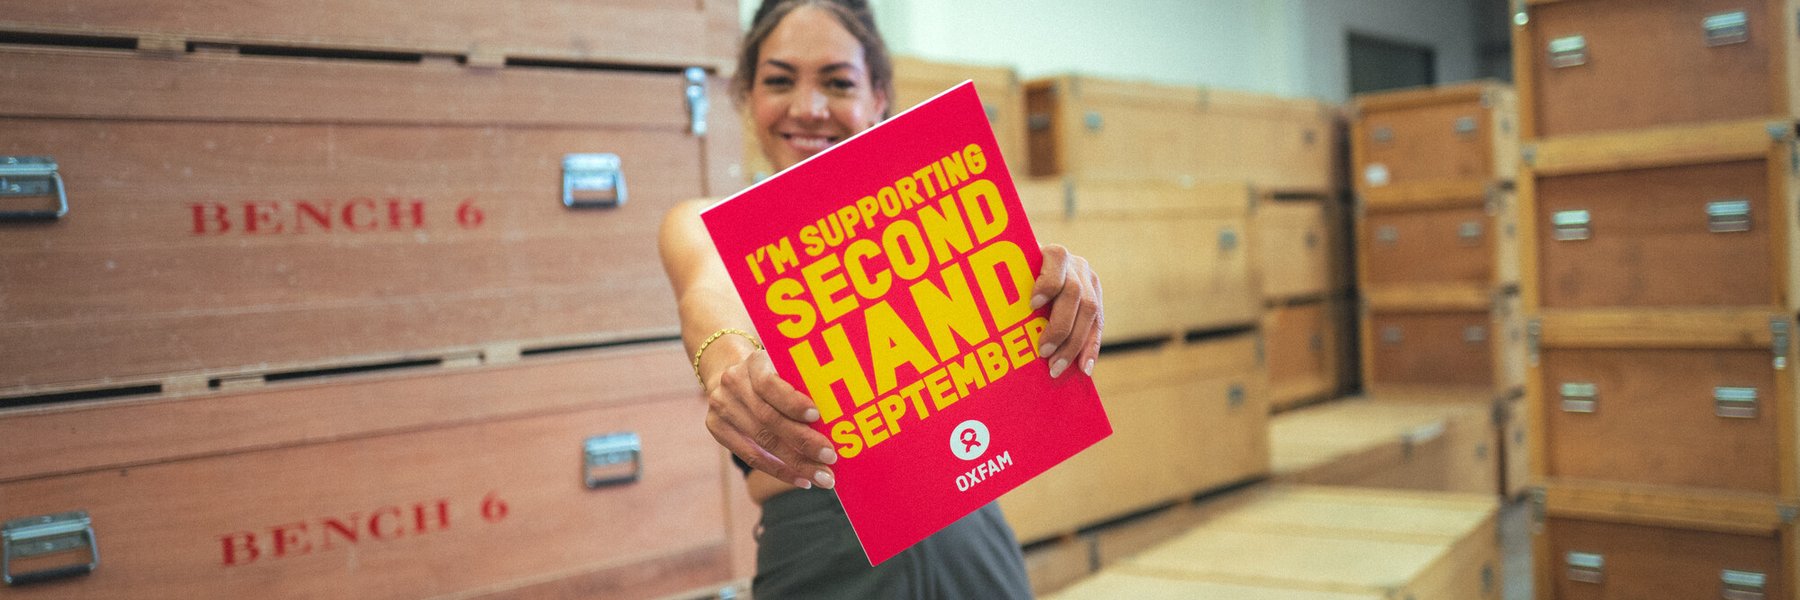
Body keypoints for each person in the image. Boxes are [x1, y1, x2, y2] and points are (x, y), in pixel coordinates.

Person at [657, 1, 1104, 597]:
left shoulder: (935, 215)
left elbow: (1030, 309)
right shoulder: (706, 222)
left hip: (972, 539)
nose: (808, 108)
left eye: (838, 83)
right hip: (824, 557)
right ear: (745, 95)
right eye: (779, 80)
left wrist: (1067, 289)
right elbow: (706, 291)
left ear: (879, 98)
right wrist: (726, 363)